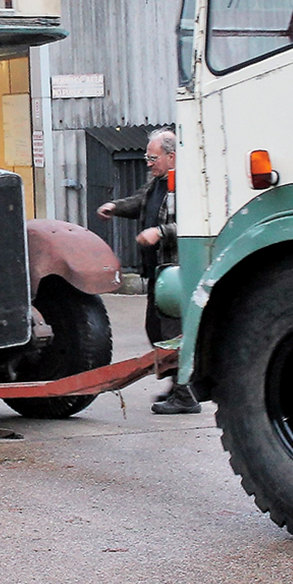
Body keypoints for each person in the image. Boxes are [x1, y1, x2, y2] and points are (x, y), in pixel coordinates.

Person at [98, 128, 199, 415]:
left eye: (152, 157)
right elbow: (141, 202)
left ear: (172, 156)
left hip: (176, 273)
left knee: (171, 332)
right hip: (157, 272)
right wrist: (115, 207)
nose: (148, 162)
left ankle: (185, 394)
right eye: (146, 157)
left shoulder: (185, 186)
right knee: (155, 328)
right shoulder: (157, 182)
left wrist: (160, 232)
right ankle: (178, 385)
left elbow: (193, 227)